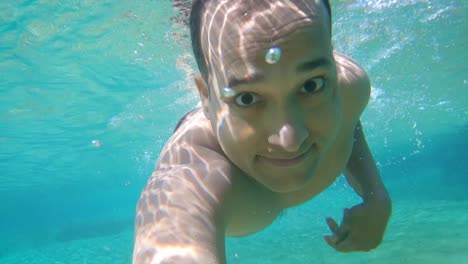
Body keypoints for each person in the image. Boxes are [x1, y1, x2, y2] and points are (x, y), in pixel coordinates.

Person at [133, 0, 392, 263]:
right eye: (247, 99)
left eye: (311, 85)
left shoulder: (352, 88)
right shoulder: (194, 173)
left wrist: (375, 195)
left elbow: (347, 120)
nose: (290, 140)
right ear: (205, 97)